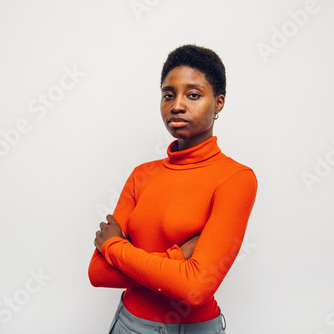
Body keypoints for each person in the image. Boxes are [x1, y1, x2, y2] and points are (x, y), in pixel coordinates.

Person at [88, 44, 258, 333]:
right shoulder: (142, 175)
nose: (177, 105)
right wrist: (178, 259)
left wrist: (113, 246)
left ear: (218, 103)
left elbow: (195, 288)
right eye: (168, 94)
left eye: (193, 95)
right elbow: (98, 272)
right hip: (128, 324)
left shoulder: (236, 179)